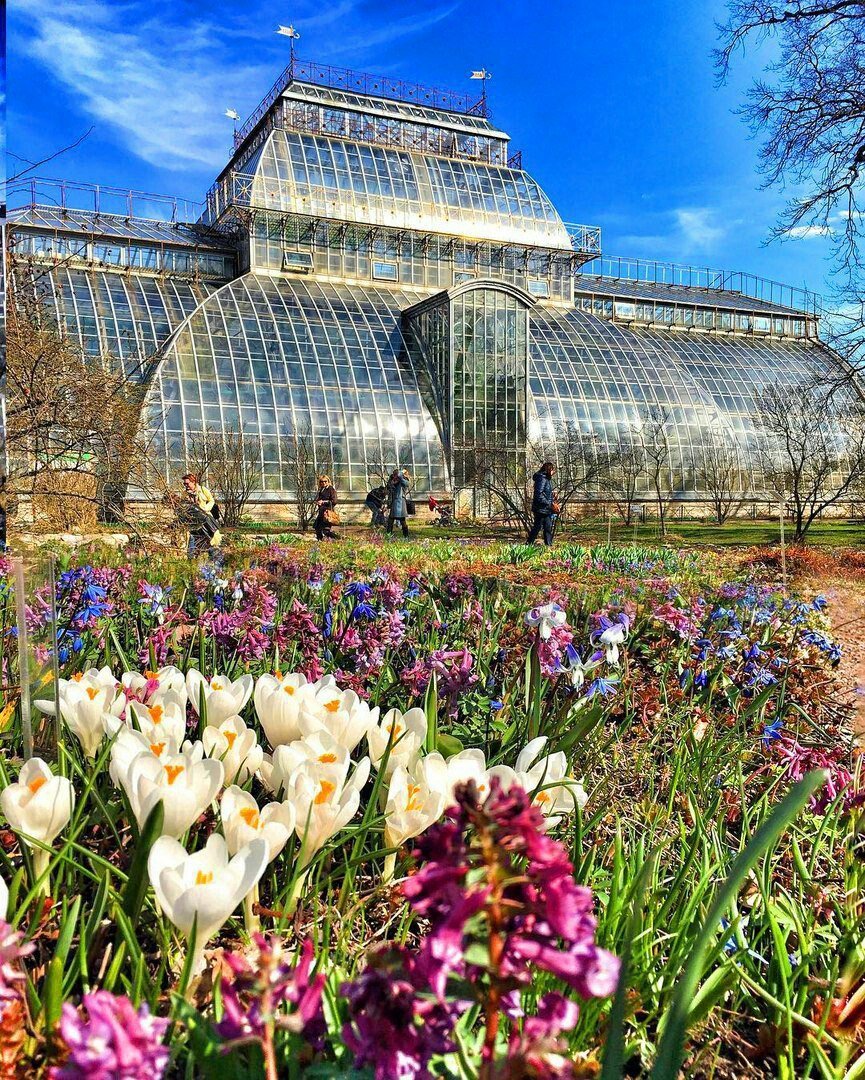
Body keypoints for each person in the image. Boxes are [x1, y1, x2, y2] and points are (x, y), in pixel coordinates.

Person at [527, 461, 557, 546]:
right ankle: (529, 544)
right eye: (552, 470)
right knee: (537, 527)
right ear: (548, 469)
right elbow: (538, 494)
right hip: (540, 508)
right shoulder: (542, 478)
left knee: (548, 527)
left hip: (545, 508)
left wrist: (552, 495)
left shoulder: (545, 479)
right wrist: (549, 503)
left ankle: (548, 545)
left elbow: (544, 492)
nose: (553, 472)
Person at [386, 468, 410, 538]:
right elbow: (388, 487)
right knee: (390, 521)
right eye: (393, 475)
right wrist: (391, 479)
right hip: (394, 503)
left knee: (402, 521)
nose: (394, 476)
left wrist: (401, 472)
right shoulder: (393, 481)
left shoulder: (404, 481)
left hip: (400, 503)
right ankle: (388, 536)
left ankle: (406, 536)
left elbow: (401, 477)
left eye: (395, 475)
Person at [314, 475, 338, 540]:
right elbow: (320, 499)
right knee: (317, 527)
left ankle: (337, 538)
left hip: (327, 513)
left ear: (328, 481)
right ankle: (320, 541)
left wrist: (323, 502)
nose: (323, 483)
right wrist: (318, 502)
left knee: (326, 530)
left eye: (325, 481)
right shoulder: (322, 489)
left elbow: (334, 501)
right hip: (321, 512)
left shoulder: (331, 489)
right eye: (322, 481)